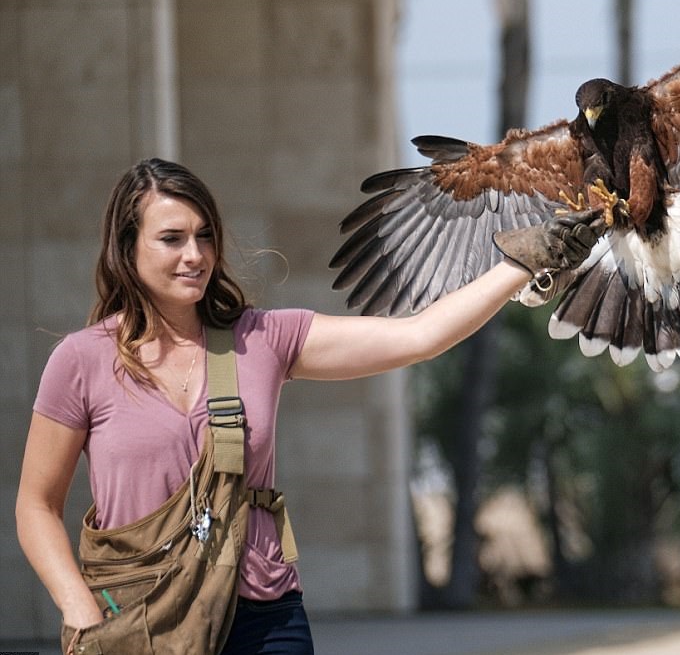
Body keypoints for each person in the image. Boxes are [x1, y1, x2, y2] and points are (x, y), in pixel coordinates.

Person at [15, 158, 603, 653]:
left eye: (204, 235)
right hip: (138, 617)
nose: (194, 254)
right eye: (171, 238)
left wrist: (522, 261)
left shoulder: (265, 338)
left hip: (263, 615)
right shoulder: (82, 361)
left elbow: (418, 336)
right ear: (127, 248)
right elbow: (37, 504)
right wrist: (81, 611)